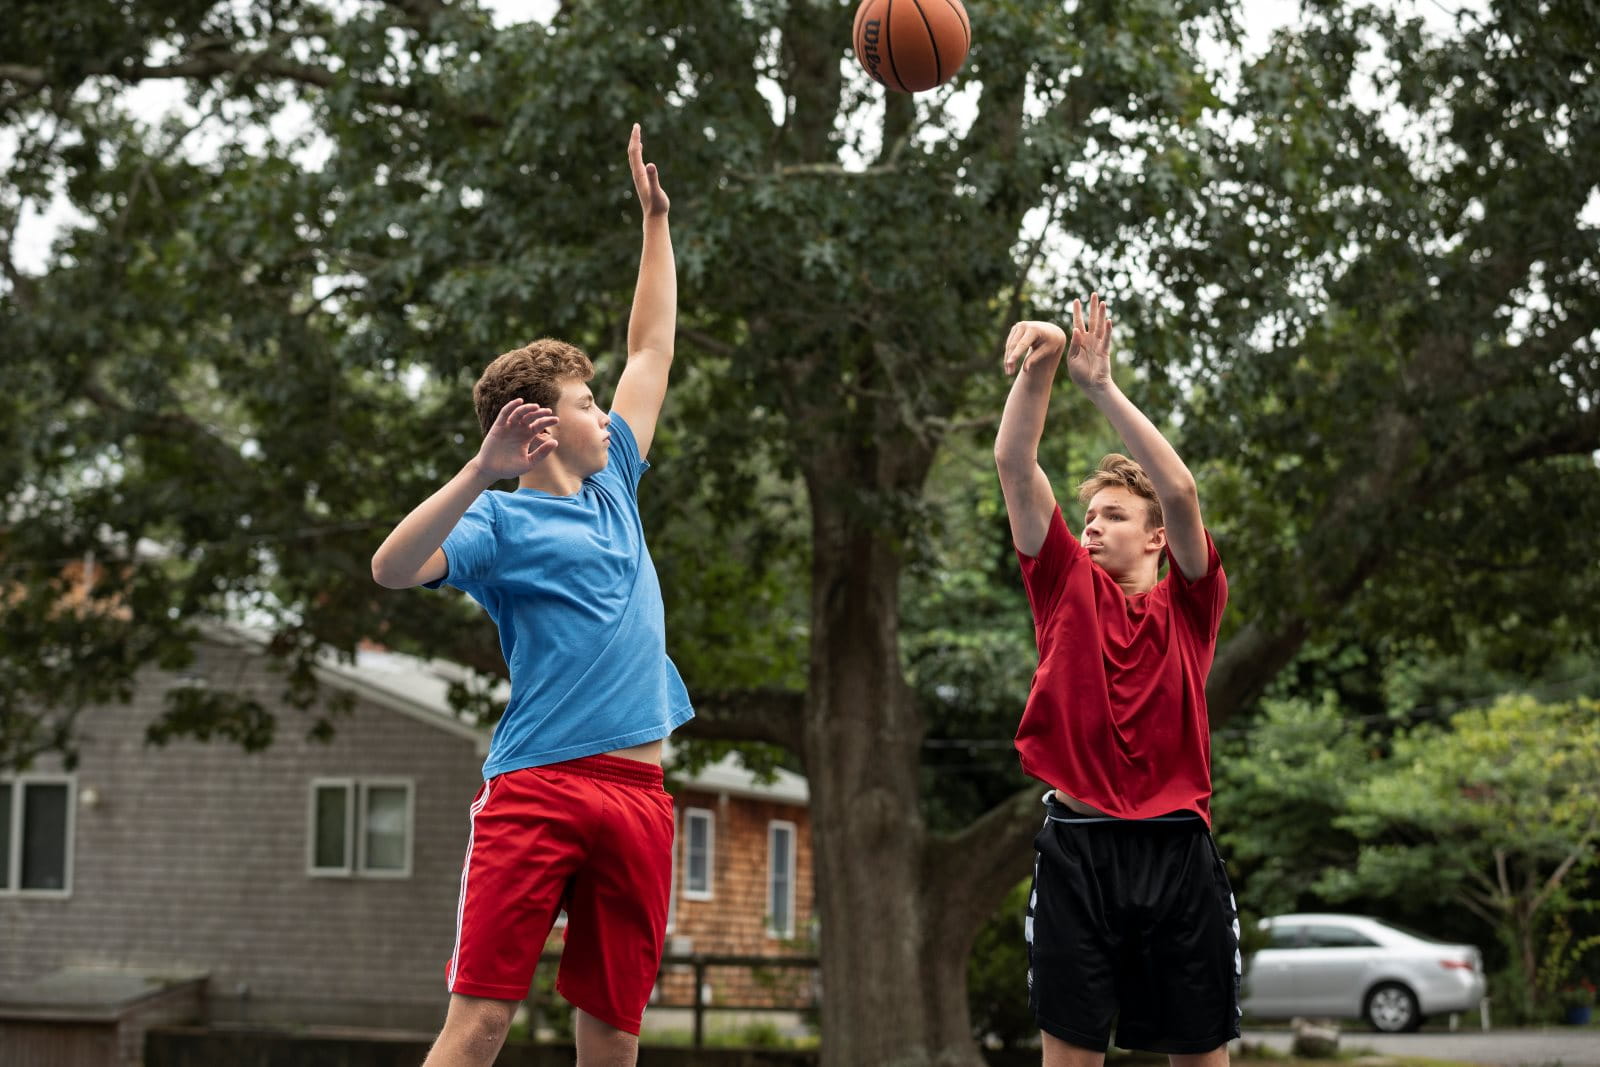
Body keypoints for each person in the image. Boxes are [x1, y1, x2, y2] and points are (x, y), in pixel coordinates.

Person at [370, 123, 690, 1067]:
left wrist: (656, 223)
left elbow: (651, 348)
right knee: (481, 1023)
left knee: (614, 1033)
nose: (608, 412)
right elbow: (391, 566)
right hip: (538, 786)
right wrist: (479, 470)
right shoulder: (497, 524)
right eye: (588, 402)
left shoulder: (615, 484)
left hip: (639, 792)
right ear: (542, 427)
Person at [993, 293, 1241, 1065]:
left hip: (1178, 853)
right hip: (1078, 849)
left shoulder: (1191, 604)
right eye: (1089, 514)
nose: (1092, 523)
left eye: (1114, 515)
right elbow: (1015, 463)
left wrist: (1100, 386)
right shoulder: (1062, 582)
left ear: (1158, 538)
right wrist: (1044, 359)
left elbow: (1182, 491)